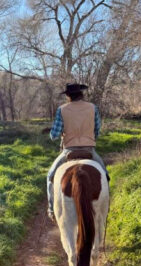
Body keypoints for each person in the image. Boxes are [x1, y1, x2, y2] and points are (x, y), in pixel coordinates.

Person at [46, 83, 108, 221]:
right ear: (81, 94)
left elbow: (54, 135)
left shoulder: (62, 109)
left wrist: (57, 133)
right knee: (105, 175)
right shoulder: (93, 108)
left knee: (50, 176)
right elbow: (97, 130)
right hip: (89, 149)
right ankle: (105, 206)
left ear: (68, 96)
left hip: (69, 150)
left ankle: (51, 209)